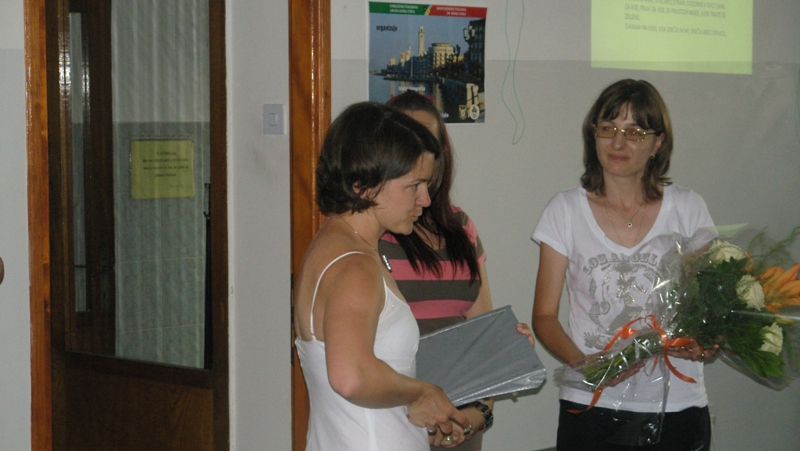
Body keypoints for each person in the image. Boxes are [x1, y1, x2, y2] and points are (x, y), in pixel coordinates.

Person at [531, 79, 720, 450]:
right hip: (592, 404)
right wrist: (589, 367)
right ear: (593, 135)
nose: (618, 144)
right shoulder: (565, 210)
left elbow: (709, 307)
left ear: (657, 143)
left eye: (634, 132)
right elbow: (544, 317)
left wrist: (709, 341)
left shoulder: (687, 208)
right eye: (608, 129)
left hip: (677, 404)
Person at [293, 101, 470, 451]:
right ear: (363, 185)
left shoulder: (332, 244)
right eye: (413, 185)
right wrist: (422, 393)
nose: (425, 199)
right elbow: (350, 377)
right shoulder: (355, 265)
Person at [379, 91, 533, 450]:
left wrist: (480, 413)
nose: (419, 158)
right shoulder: (370, 236)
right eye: (407, 146)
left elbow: (483, 334)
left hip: (462, 424)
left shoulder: (461, 227)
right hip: (396, 425)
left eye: (428, 145)